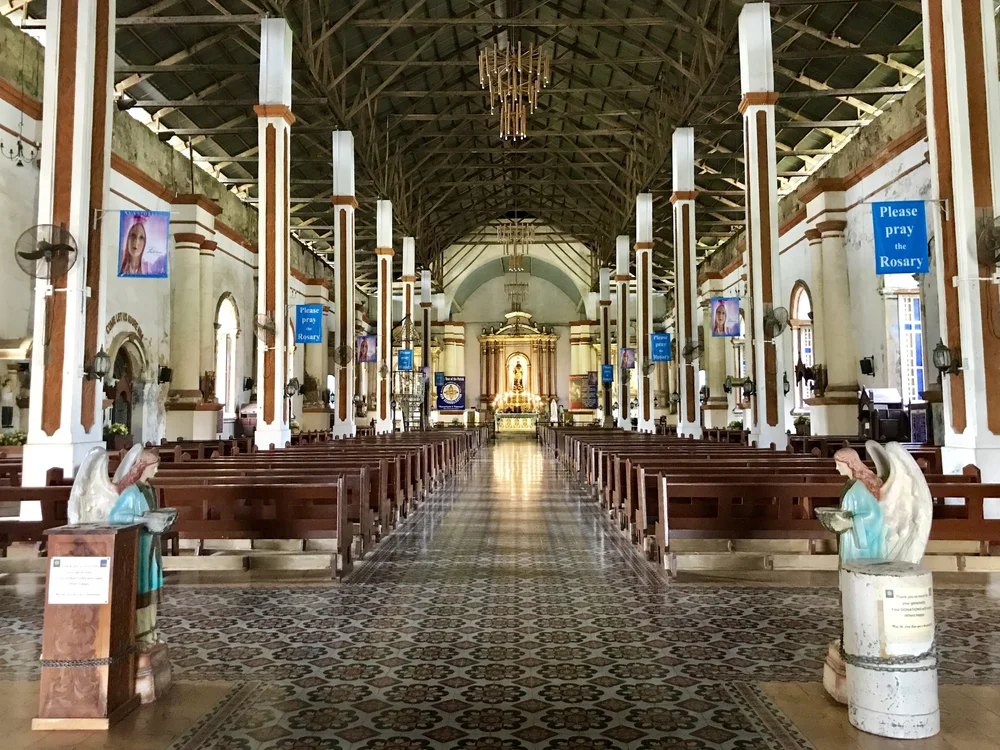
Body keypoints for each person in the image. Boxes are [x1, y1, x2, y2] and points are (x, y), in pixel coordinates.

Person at [110, 448, 168, 644]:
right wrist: (141, 519)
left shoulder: (150, 489)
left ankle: (151, 631)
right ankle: (141, 635)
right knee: (142, 587)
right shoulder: (131, 492)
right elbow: (116, 516)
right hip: (141, 546)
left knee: (152, 586)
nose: (156, 471)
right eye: (154, 467)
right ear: (143, 467)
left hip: (152, 543)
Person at [832, 447, 887, 563]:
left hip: (857, 538)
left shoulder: (860, 487)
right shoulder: (852, 483)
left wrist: (851, 522)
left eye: (839, 465)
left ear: (850, 464)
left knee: (856, 564)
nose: (836, 468)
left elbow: (875, 515)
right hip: (850, 534)